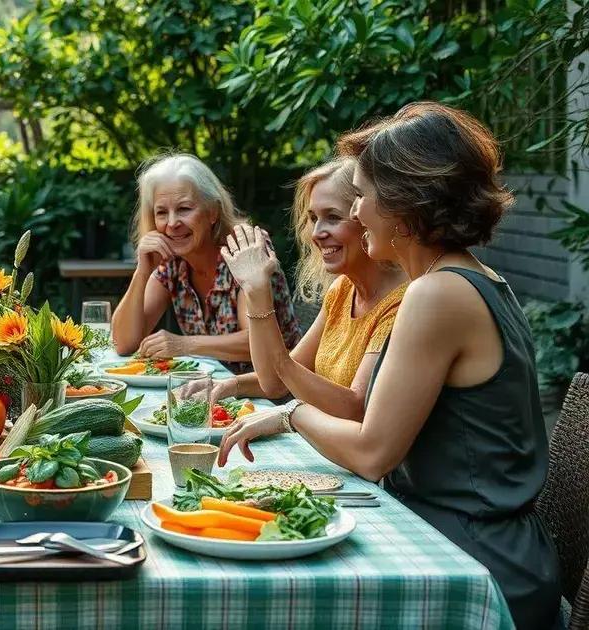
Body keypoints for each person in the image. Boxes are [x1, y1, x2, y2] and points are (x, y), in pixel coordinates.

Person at [218, 102, 560, 629]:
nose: (355, 214)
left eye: (362, 197)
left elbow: (373, 452)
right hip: (473, 542)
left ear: (406, 203)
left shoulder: (437, 294)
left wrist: (290, 416)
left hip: (475, 567)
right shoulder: (476, 279)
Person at [211, 158, 408, 419]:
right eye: (313, 218)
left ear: (368, 217)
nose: (316, 233)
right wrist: (227, 385)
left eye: (333, 217)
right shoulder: (342, 289)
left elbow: (355, 408)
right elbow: (277, 382)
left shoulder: (404, 300)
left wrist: (288, 416)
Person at [111, 153, 300, 374]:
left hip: (274, 391)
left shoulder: (244, 247)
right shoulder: (171, 263)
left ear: (212, 212)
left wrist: (186, 345)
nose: (172, 223)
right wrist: (142, 272)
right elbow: (123, 343)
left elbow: (257, 341)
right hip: (214, 388)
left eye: (184, 209)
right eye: (162, 212)